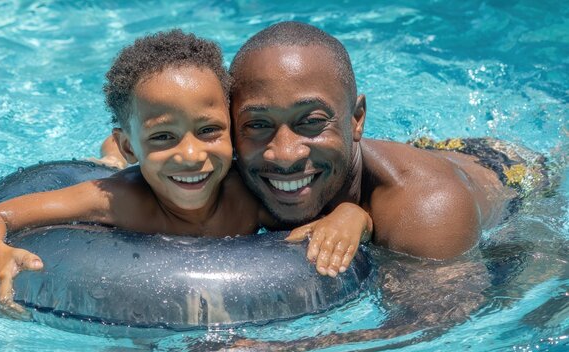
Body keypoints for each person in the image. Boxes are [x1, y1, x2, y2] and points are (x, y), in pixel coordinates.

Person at [0, 29, 372, 314]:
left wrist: (350, 217)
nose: (192, 155)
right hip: (122, 173)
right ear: (133, 144)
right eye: (164, 137)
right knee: (110, 168)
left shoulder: (245, 197)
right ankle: (111, 154)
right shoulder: (114, 199)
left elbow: (336, 216)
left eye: (209, 131)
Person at [102, 22, 546, 260]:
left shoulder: (427, 210)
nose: (284, 154)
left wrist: (274, 350)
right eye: (257, 125)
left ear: (357, 119)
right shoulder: (217, 157)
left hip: (509, 175)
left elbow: (433, 334)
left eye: (310, 121)